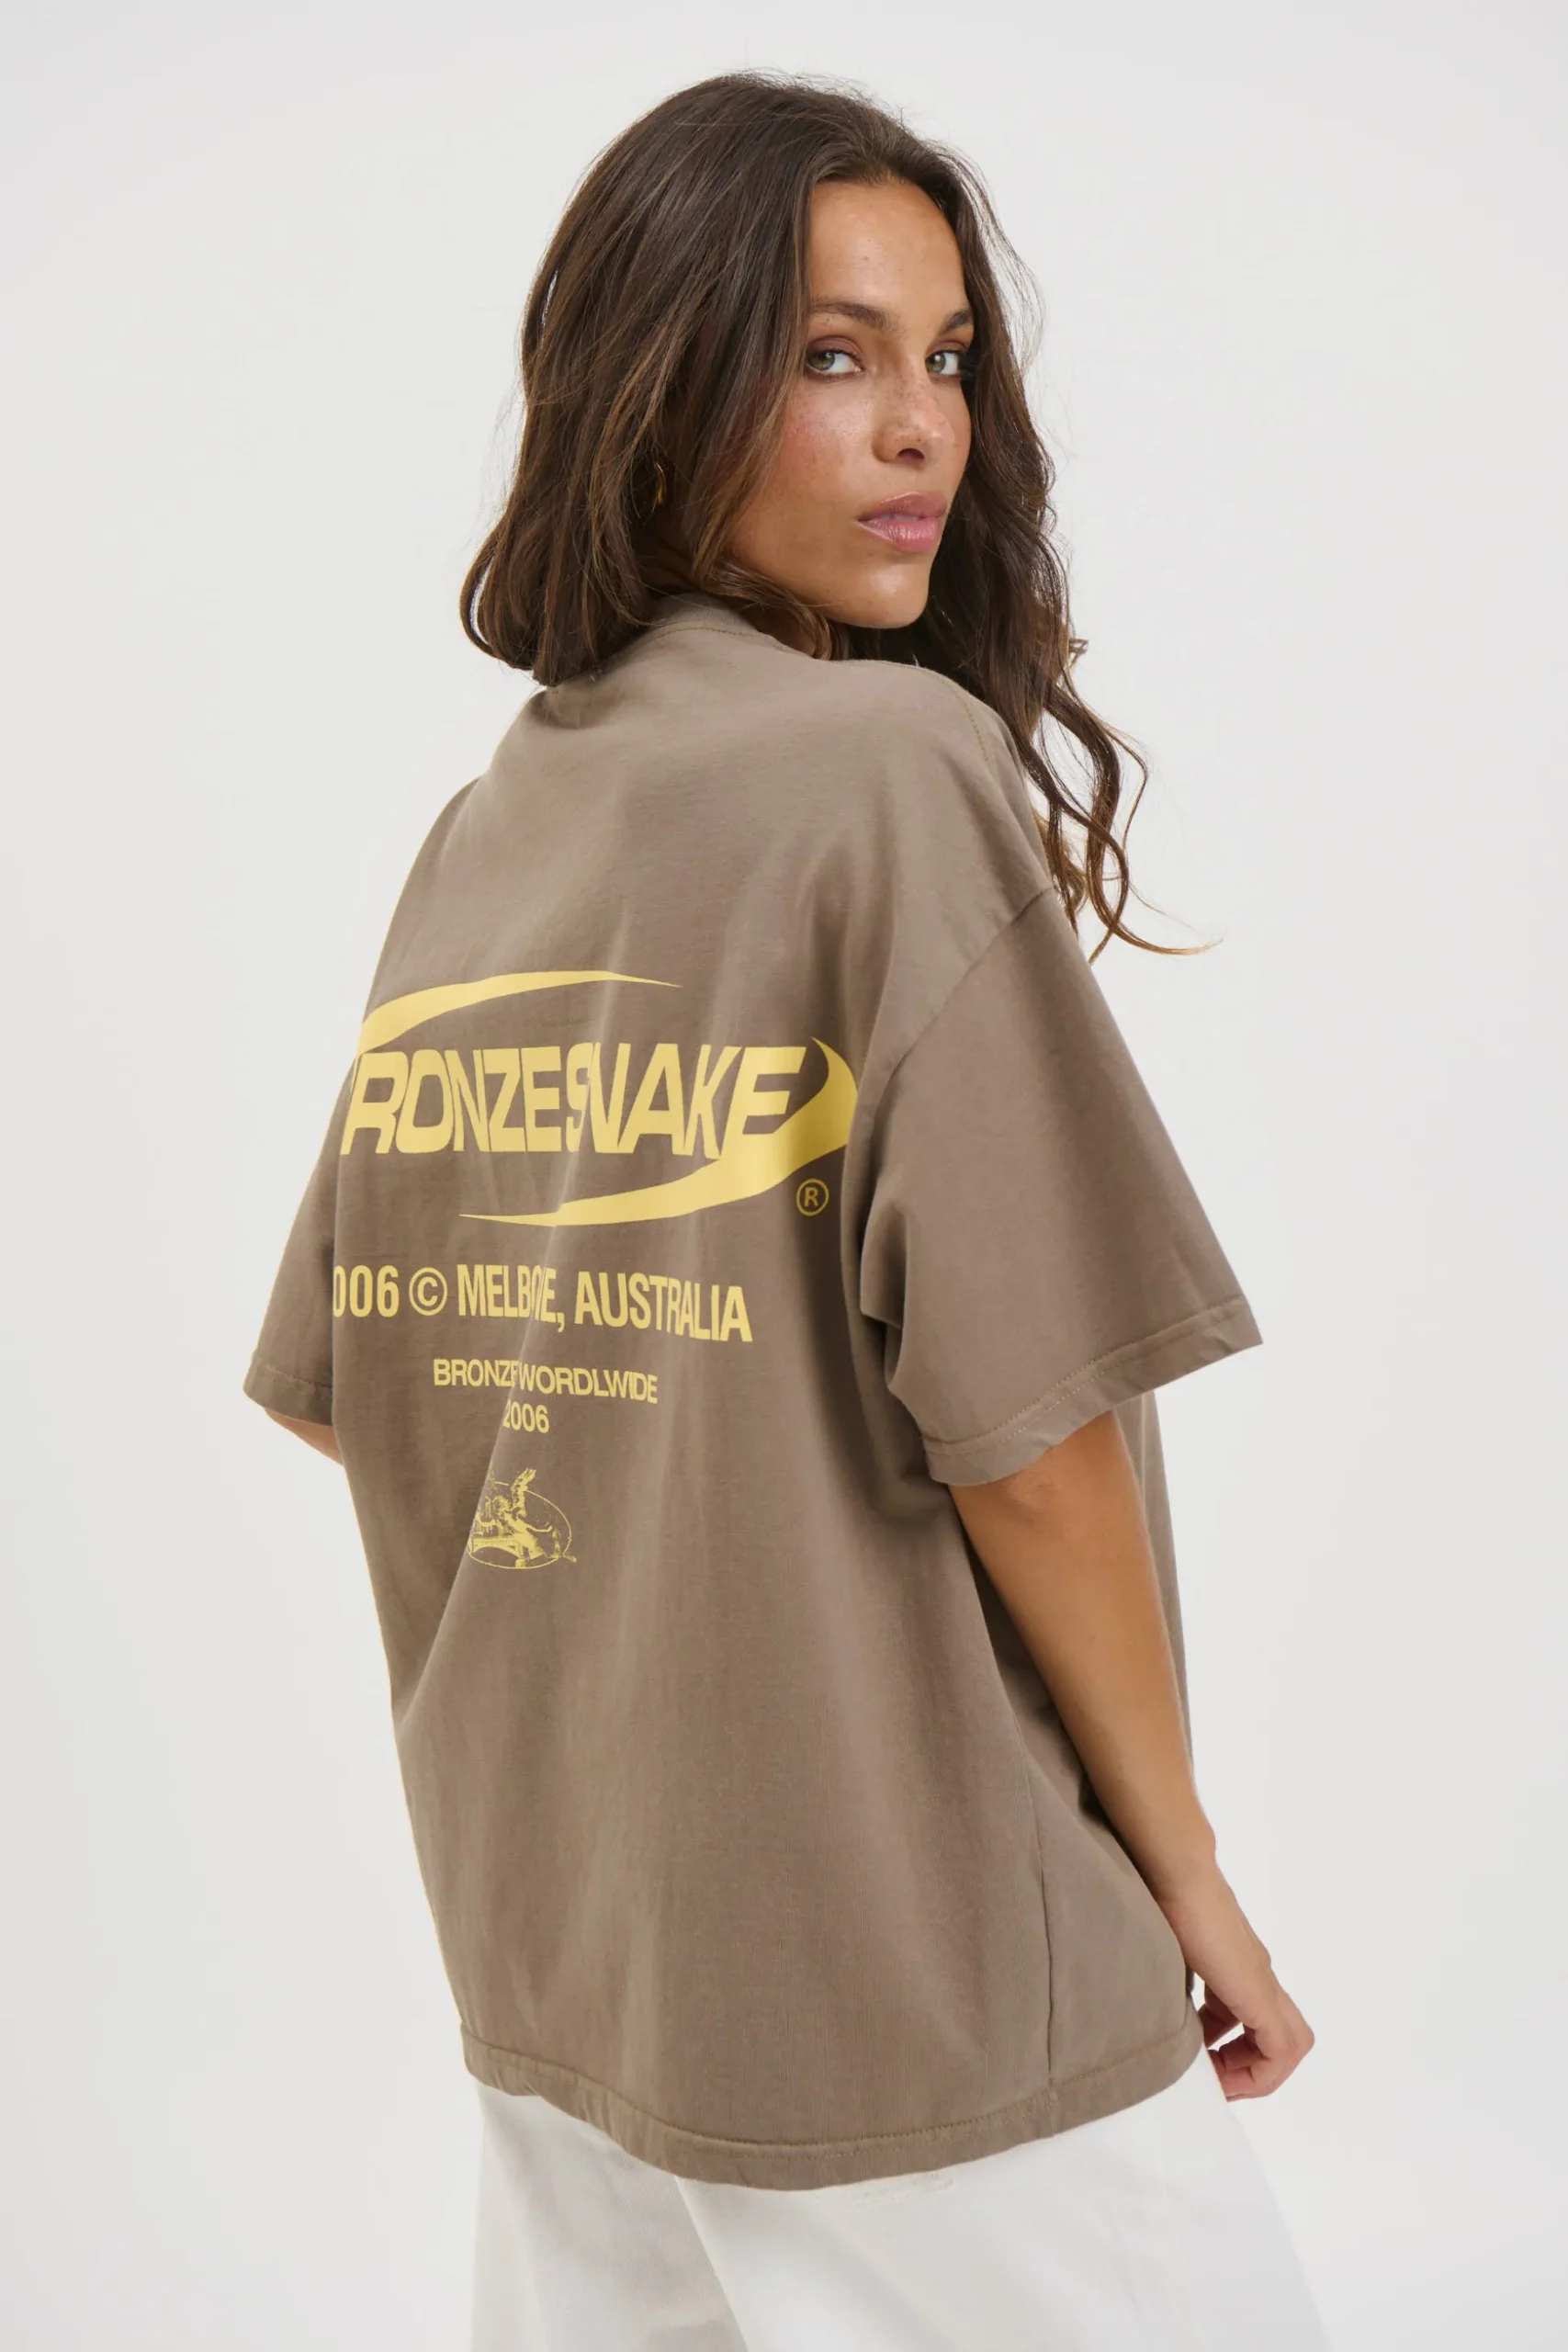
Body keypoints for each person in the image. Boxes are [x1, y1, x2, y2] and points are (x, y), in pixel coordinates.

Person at [244, 68, 1330, 2352]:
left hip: (569, 1983)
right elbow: (1032, 1436)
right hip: (919, 1983)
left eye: (947, 356)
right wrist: (1190, 1876)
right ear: (657, 385)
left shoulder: (491, 829)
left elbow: (368, 1390)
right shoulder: (887, 774)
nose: (920, 424)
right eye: (832, 355)